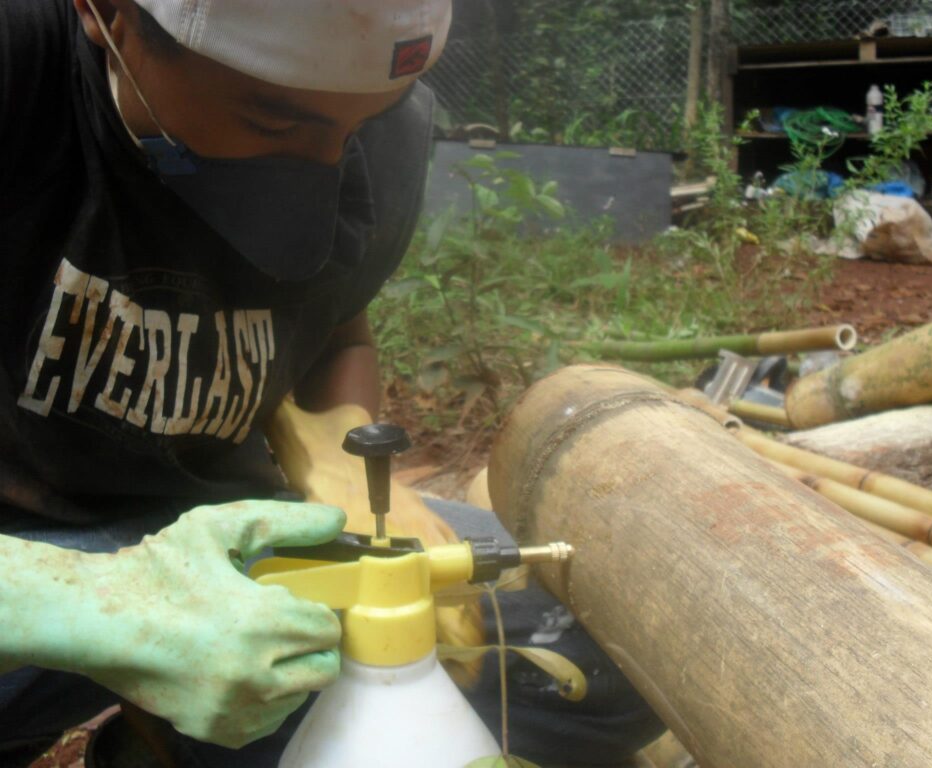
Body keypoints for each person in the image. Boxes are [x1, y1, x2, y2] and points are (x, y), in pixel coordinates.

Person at [0, 1, 663, 765]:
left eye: (357, 126)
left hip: (225, 531)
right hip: (24, 563)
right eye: (276, 124)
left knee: (604, 651)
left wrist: (335, 448)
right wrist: (78, 604)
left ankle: (160, 750)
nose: (326, 162)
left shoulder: (371, 127)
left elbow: (334, 326)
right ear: (109, 15)